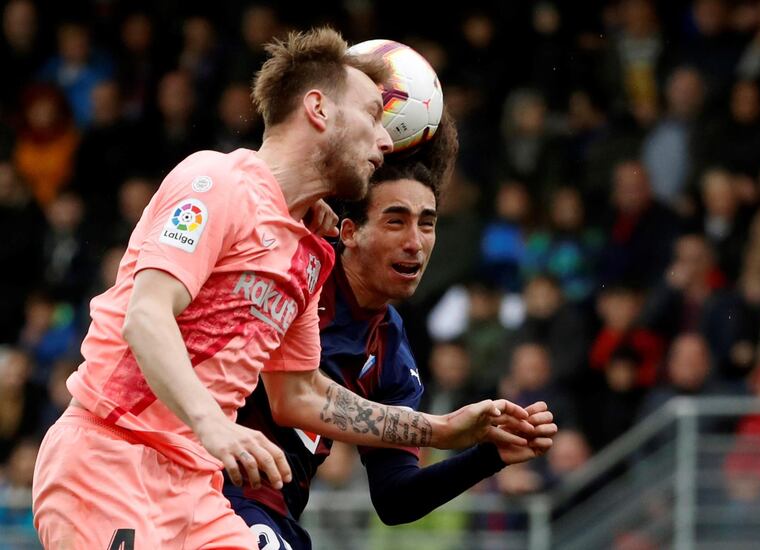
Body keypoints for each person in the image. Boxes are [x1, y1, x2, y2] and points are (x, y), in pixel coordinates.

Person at [31, 28, 534, 550]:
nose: (386, 141)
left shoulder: (309, 253)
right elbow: (146, 317)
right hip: (110, 458)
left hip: (196, 489)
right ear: (317, 109)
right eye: (369, 115)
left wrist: (440, 430)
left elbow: (300, 394)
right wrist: (215, 427)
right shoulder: (214, 180)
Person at [225, 112, 558, 549]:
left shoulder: (393, 355)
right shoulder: (297, 267)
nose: (415, 241)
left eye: (427, 223)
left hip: (276, 513)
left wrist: (488, 456)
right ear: (349, 232)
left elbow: (396, 498)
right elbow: (295, 399)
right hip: (212, 483)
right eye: (395, 221)